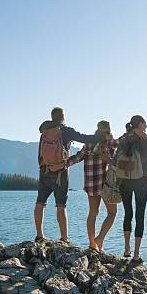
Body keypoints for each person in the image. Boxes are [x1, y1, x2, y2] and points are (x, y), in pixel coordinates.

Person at [35, 107, 98, 243]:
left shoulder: (44, 132)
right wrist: (100, 136)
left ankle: (39, 236)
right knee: (61, 205)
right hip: (61, 172)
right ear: (63, 116)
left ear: (52, 117)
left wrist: (45, 168)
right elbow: (83, 138)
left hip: (45, 171)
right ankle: (64, 239)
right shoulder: (66, 131)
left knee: (40, 203)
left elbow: (40, 154)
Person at [67, 120, 118, 251]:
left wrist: (63, 164)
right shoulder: (109, 144)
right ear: (108, 130)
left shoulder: (89, 143)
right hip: (106, 185)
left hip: (91, 184)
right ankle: (100, 238)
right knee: (112, 213)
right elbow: (115, 164)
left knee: (93, 213)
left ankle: (92, 244)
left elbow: (77, 158)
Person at [118, 115, 147, 264]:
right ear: (141, 124)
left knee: (128, 213)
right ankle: (136, 254)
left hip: (124, 181)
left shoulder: (125, 139)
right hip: (141, 182)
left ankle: (126, 248)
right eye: (145, 123)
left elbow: (117, 159)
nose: (146, 125)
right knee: (139, 215)